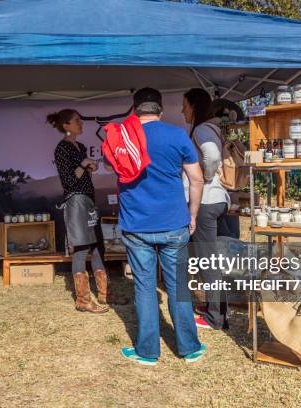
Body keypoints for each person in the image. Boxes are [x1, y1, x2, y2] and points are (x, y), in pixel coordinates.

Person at [113, 88, 207, 365]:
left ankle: (147, 351)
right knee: (178, 286)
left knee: (144, 286)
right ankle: (189, 348)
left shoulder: (122, 138)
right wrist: (192, 215)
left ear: (134, 109)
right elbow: (197, 180)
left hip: (136, 223)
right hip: (174, 222)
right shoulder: (177, 135)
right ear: (161, 109)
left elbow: (113, 168)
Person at [48, 109, 126, 314]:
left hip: (89, 200)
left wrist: (88, 166)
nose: (81, 123)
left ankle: (104, 294)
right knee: (82, 248)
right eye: (76, 121)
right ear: (66, 125)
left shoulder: (81, 146)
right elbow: (69, 181)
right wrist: (83, 165)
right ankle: (82, 300)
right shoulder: (62, 148)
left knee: (98, 246)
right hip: (75, 201)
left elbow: (82, 174)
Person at [181, 88, 231, 330]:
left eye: (185, 106)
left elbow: (211, 156)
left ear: (195, 107)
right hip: (217, 199)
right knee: (210, 259)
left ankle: (215, 318)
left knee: (207, 260)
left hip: (206, 200)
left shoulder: (201, 130)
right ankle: (218, 309)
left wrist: (204, 176)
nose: (182, 111)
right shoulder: (212, 128)